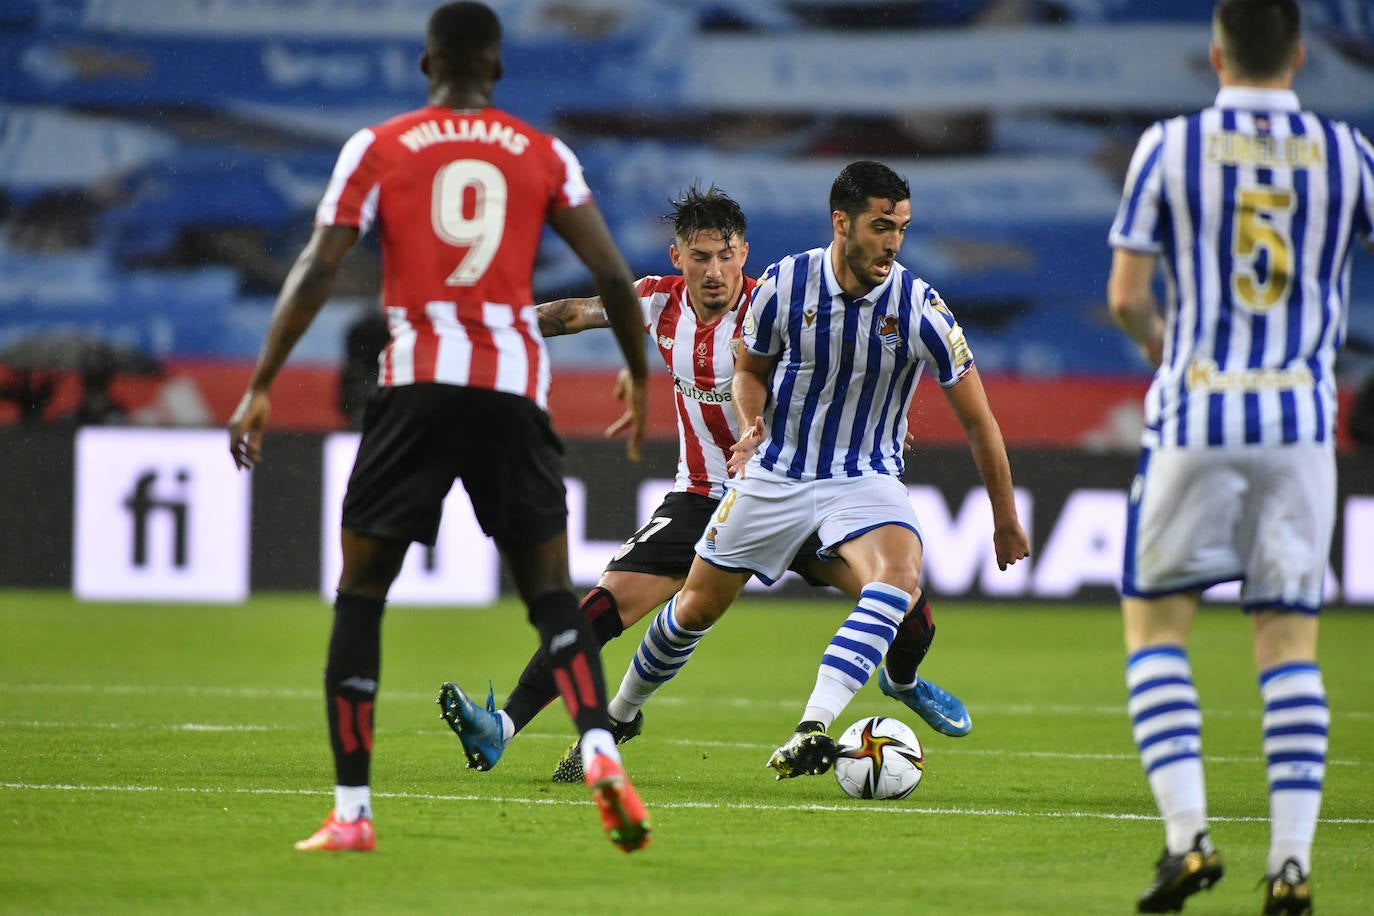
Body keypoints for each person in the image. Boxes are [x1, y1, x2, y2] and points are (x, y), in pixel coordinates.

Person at [226, 1, 653, 854]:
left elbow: (320, 264)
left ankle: (352, 813)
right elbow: (611, 271)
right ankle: (602, 750)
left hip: (417, 381)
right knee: (549, 596)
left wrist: (263, 381)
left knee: (361, 595)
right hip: (510, 386)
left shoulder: (377, 147)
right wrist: (642, 380)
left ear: (427, 67)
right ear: (496, 70)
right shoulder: (545, 154)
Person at [438, 184, 978, 784]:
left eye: (726, 256)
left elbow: (853, 366)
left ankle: (901, 681)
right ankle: (503, 728)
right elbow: (573, 314)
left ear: (744, 254)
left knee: (910, 610)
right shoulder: (657, 303)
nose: (714, 271)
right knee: (603, 605)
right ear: (678, 259)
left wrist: (886, 426)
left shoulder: (774, 306)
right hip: (704, 494)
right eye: (700, 257)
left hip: (798, 489)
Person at [586, 161, 1029, 782]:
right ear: (841, 223)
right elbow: (749, 374)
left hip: (865, 478)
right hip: (776, 474)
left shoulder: (923, 308)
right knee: (694, 608)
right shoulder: (785, 285)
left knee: (900, 580)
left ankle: (814, 726)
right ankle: (619, 715)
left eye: (901, 227)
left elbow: (980, 422)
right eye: (881, 226)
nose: (894, 242)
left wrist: (1005, 520)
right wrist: (750, 424)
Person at [1106, 1, 1374, 911]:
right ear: (1300, 54)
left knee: (1156, 625)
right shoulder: (1349, 154)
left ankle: (1188, 841)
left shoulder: (1169, 147)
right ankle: (1291, 865)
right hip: (1302, 421)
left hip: (1198, 408)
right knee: (1289, 640)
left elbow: (1126, 295)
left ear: (1214, 53)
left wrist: (1162, 344)